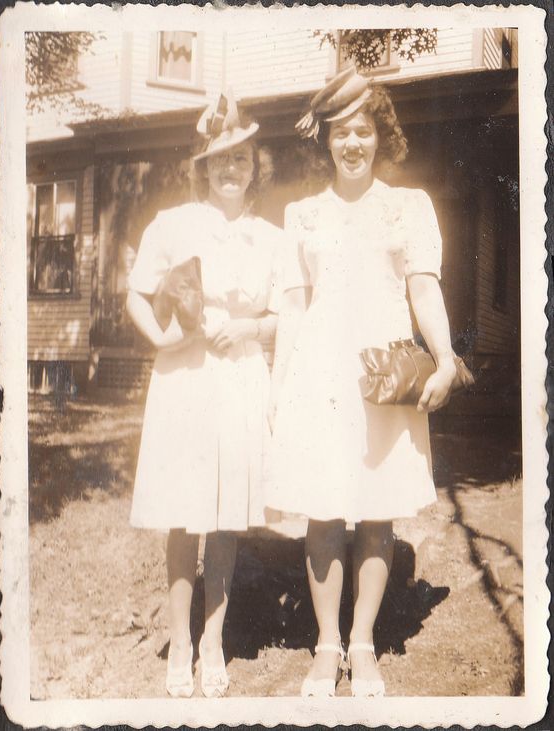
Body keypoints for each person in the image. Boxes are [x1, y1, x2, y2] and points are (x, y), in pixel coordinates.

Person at [266, 66, 457, 698]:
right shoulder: (301, 214)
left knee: (376, 515)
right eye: (341, 132)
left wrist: (447, 358)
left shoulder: (409, 207)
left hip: (382, 378)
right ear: (324, 140)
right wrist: (277, 384)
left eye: (364, 131)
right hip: (319, 379)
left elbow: (423, 289)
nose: (352, 143)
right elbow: (293, 309)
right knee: (323, 513)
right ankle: (326, 646)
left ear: (381, 137)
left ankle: (365, 643)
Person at [127, 91, 283, 698]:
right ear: (203, 165)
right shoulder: (173, 225)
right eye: (219, 158)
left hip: (240, 375)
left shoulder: (270, 237)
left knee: (225, 519)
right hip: (185, 381)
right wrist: (163, 341)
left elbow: (283, 317)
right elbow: (137, 295)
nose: (230, 167)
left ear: (254, 166)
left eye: (240, 158)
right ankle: (181, 642)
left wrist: (247, 327)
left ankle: (213, 642)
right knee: (184, 514)